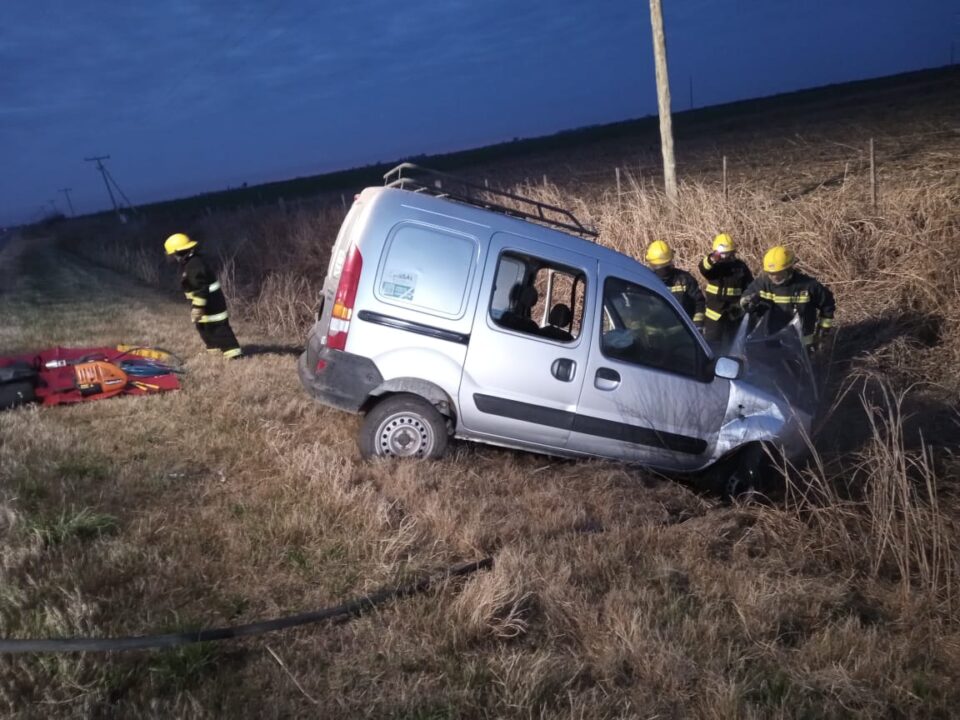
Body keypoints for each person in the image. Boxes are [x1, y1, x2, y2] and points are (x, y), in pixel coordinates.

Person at [740, 245, 835, 350]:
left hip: (801, 346)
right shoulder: (762, 283)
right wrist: (748, 302)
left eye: (779, 274)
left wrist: (822, 332)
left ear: (789, 269)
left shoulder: (808, 285)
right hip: (770, 343)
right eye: (771, 274)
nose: (774, 277)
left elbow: (827, 305)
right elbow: (745, 298)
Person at [164, 233, 243, 359]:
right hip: (204, 302)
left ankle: (234, 355)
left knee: (219, 327)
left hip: (212, 303)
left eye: (173, 255)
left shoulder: (195, 265)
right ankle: (215, 351)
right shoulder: (189, 263)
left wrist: (198, 307)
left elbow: (201, 287)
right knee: (204, 327)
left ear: (179, 252)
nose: (173, 258)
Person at [697, 233, 754, 348]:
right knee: (712, 346)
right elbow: (703, 268)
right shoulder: (714, 267)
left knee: (733, 346)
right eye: (724, 254)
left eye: (730, 253)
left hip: (735, 314)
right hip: (714, 315)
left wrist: (746, 301)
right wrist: (713, 258)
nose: (727, 257)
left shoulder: (740, 267)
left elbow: (750, 286)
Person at [644, 240, 705, 331]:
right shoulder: (646, 280)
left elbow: (699, 302)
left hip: (683, 332)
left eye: (664, 266)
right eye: (657, 266)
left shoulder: (684, 279)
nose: (661, 270)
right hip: (654, 334)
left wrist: (697, 324)